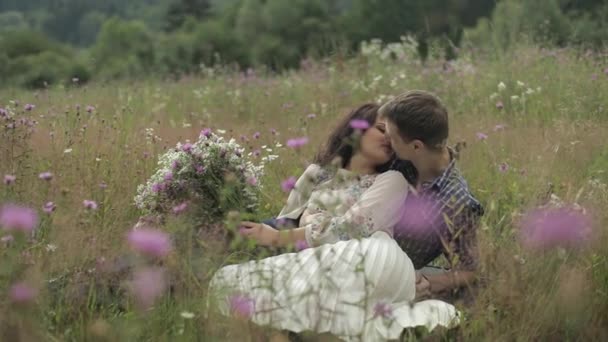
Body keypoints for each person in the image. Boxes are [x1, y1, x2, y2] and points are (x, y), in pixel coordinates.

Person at [208, 103, 458, 342]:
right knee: (232, 281)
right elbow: (288, 221)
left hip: (370, 255)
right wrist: (265, 234)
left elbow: (352, 229)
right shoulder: (316, 174)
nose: (387, 139)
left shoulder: (392, 180)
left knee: (358, 253)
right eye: (381, 130)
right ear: (357, 128)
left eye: (393, 137)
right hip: (318, 258)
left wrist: (277, 236)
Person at [379, 90, 484, 302]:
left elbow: (471, 269)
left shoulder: (457, 201)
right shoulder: (398, 158)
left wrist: (428, 281)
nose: (385, 139)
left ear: (416, 146)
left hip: (393, 277)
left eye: (390, 136)